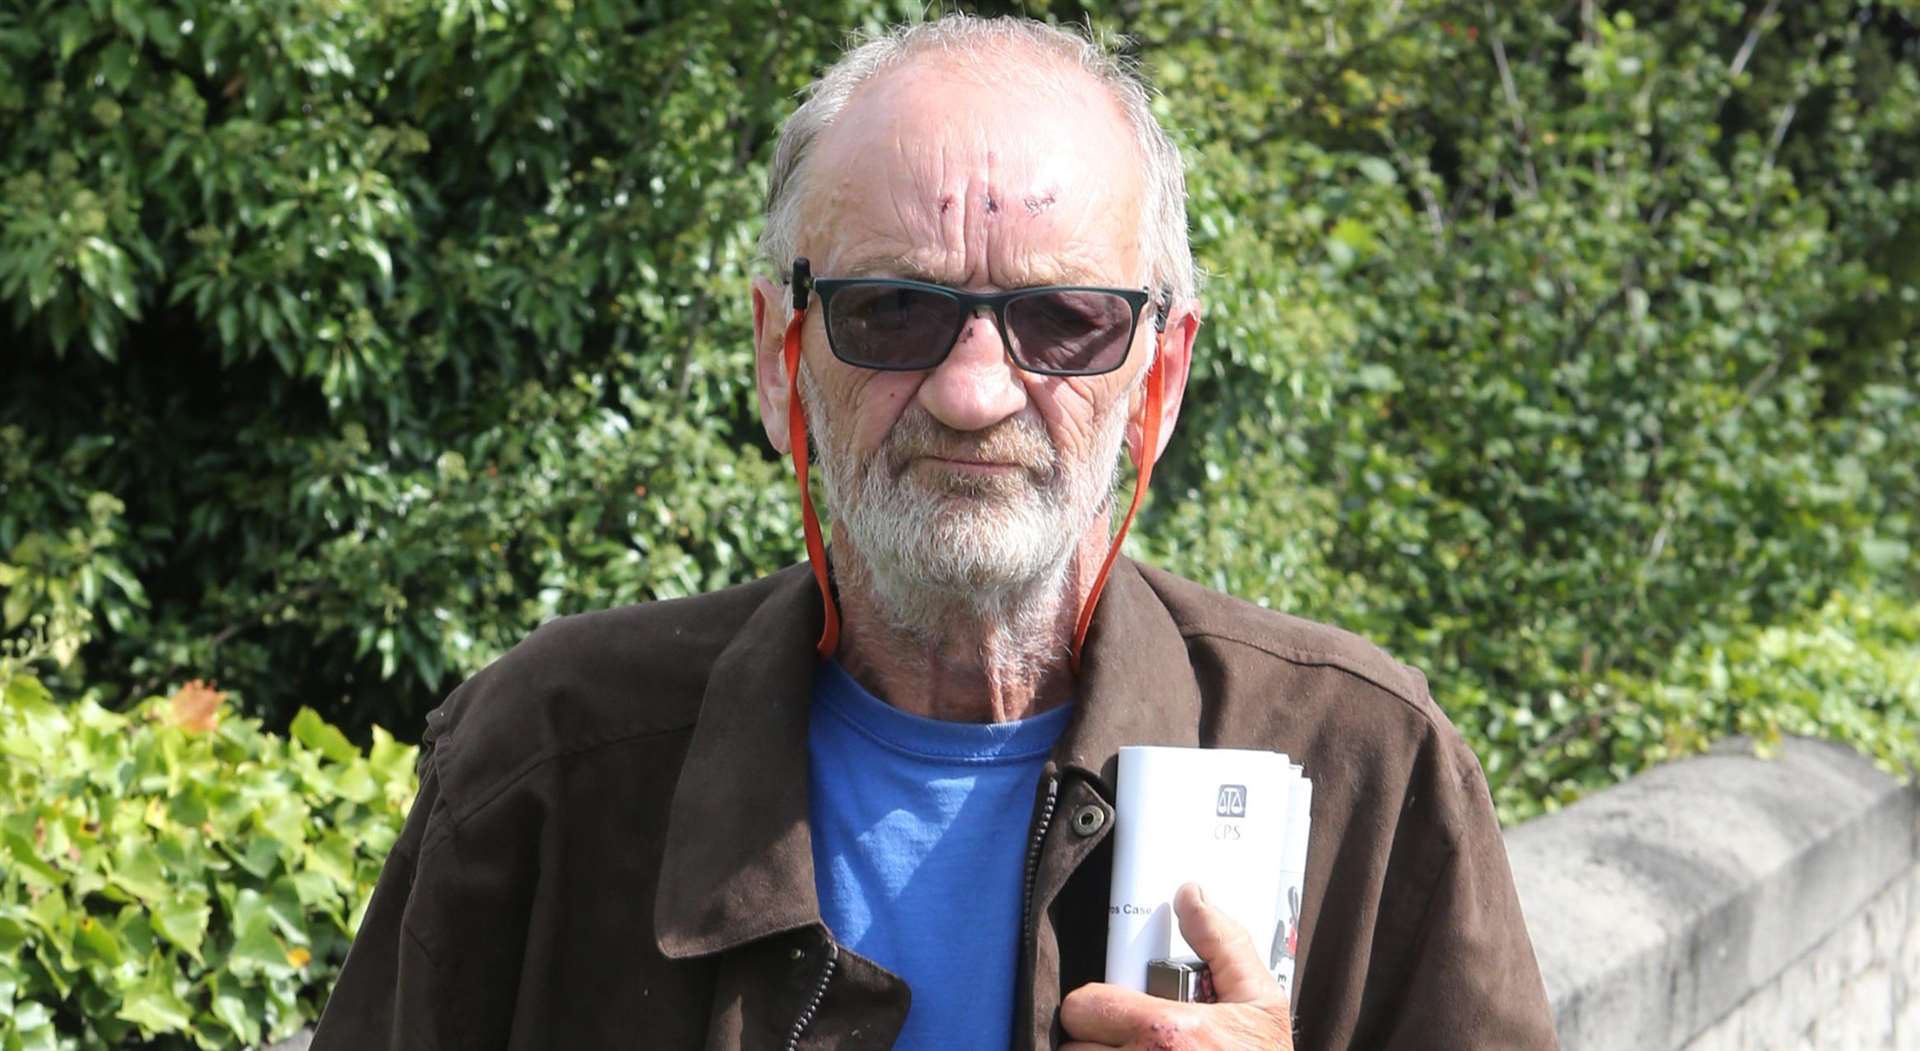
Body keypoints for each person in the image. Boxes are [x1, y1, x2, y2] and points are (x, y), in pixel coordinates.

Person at [312, 14, 1558, 1051]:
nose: (975, 392)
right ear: (776, 354)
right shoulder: (550, 761)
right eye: (892, 309)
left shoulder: (1365, 770)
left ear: (1160, 378)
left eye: (1065, 319)